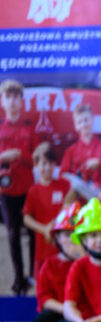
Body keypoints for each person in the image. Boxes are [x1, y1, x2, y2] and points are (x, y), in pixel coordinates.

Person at [20, 202, 83, 322]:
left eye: (76, 235)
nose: (71, 240)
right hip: (55, 310)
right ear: (57, 238)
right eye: (66, 235)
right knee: (42, 320)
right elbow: (44, 298)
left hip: (77, 317)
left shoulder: (85, 266)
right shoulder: (49, 265)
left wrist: (81, 259)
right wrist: (65, 308)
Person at [0, 79, 38, 295]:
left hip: (27, 190)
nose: (13, 101)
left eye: (16, 97)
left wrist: (19, 155)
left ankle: (32, 274)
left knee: (32, 233)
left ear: (22, 102)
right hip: (6, 191)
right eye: (9, 97)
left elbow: (36, 158)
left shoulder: (29, 128)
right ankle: (18, 278)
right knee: (13, 234)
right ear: (2, 101)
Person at [22, 142, 74, 279]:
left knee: (66, 284)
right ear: (37, 166)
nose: (47, 168)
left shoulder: (64, 185)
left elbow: (73, 207)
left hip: (64, 248)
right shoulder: (33, 191)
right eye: (43, 164)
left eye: (51, 163)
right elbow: (26, 218)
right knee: (45, 287)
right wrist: (44, 228)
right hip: (43, 250)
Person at [58, 103, 101, 203]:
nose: (83, 124)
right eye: (80, 122)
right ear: (76, 126)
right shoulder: (71, 151)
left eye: (86, 120)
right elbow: (63, 176)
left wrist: (100, 164)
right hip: (78, 202)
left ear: (92, 120)